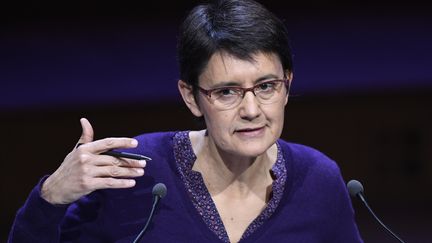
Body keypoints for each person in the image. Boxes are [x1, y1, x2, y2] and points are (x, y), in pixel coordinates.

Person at [8, 0, 363, 242]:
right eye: (227, 92)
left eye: (266, 86)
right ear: (191, 96)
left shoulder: (319, 179)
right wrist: (51, 197)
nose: (252, 109)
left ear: (288, 86)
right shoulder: (135, 172)